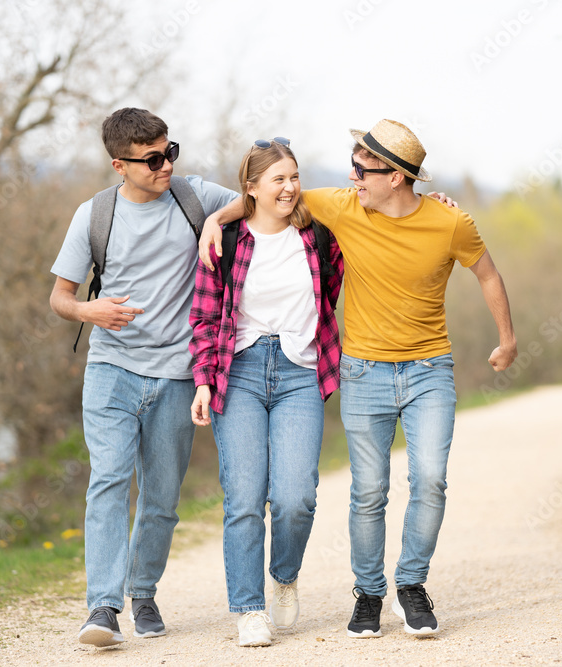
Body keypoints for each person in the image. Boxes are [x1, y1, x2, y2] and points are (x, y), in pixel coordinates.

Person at [198, 119, 518, 639]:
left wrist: (508, 339)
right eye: (351, 168)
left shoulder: (449, 223)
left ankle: (410, 584)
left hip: (428, 368)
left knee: (428, 480)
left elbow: (487, 273)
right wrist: (217, 218)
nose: (352, 179)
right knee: (365, 491)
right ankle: (363, 593)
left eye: (362, 170)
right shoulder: (344, 207)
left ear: (395, 177)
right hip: (360, 371)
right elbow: (267, 199)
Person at [49, 108, 239, 647]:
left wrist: (219, 222)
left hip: (179, 373)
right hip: (112, 369)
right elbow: (60, 298)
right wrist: (92, 312)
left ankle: (144, 591)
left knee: (161, 497)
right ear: (119, 165)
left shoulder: (193, 196)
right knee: (108, 481)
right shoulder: (95, 216)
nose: (165, 165)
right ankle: (103, 608)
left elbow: (265, 197)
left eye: (170, 151)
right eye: (152, 159)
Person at [189, 138, 343, 647]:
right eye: (278, 179)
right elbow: (206, 317)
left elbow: (340, 285)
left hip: (301, 371)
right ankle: (250, 609)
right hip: (242, 372)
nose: (290, 187)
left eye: (294, 176)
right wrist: (204, 382)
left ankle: (284, 575)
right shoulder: (226, 240)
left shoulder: (320, 235)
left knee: (296, 497)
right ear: (250, 187)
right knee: (245, 496)